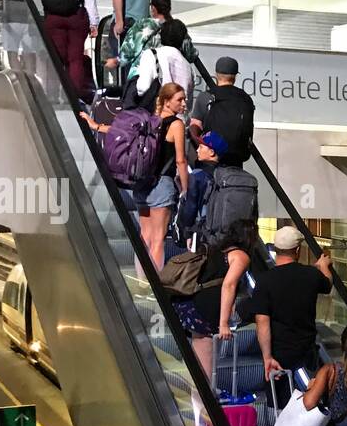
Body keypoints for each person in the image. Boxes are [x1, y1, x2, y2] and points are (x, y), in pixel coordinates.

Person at [82, 81, 189, 270]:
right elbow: (181, 160)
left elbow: (119, 131)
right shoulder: (176, 125)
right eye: (179, 100)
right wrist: (185, 189)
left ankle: (142, 284)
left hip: (142, 184)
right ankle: (154, 284)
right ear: (166, 101)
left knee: (144, 237)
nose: (183, 104)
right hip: (162, 185)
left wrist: (96, 126)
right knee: (158, 240)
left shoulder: (147, 120)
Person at [170, 217, 256, 426]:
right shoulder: (241, 256)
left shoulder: (217, 251)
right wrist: (223, 323)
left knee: (199, 371)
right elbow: (228, 285)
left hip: (189, 305)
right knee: (204, 375)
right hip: (205, 312)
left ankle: (200, 421)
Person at [245, 226, 332, 386]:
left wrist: (267, 357)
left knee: (282, 402)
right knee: (307, 400)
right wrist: (323, 265)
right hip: (306, 352)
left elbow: (262, 323)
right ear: (297, 250)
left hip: (279, 354)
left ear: (275, 249)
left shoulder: (265, 281)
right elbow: (327, 284)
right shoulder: (310, 275)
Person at [114, 0, 198, 90]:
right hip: (169, 85)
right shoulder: (177, 28)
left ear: (153, 8)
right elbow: (191, 55)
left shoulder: (143, 25)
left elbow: (125, 55)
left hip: (141, 81)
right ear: (169, 8)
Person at [190, 56, 255, 167]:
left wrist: (203, 148)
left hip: (211, 160)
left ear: (216, 75)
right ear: (234, 77)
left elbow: (194, 127)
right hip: (235, 162)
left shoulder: (206, 97)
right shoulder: (246, 99)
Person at [131, 17, 194, 111]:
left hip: (158, 117)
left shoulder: (152, 54)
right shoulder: (188, 66)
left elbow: (142, 87)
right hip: (179, 120)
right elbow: (188, 102)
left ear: (161, 35)